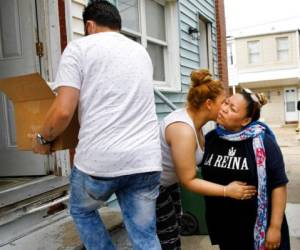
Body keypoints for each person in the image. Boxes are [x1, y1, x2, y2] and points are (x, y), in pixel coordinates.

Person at [29, 1, 162, 249]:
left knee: (81, 210)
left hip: (100, 162)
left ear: (89, 25)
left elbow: (63, 111)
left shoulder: (79, 48)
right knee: (145, 236)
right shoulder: (140, 51)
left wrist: (42, 140)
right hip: (146, 161)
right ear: (117, 25)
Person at [156, 69, 257, 250]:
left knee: (173, 231)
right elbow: (188, 180)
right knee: (168, 241)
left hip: (170, 183)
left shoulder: (199, 125)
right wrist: (227, 190)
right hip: (153, 187)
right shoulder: (183, 130)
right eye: (223, 103)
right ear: (209, 104)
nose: (225, 107)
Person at [201, 89, 290, 250]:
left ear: (245, 120)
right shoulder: (211, 138)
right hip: (226, 229)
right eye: (226, 102)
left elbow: (279, 185)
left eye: (233, 108)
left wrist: (275, 227)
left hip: (258, 228)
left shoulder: (263, 143)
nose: (224, 108)